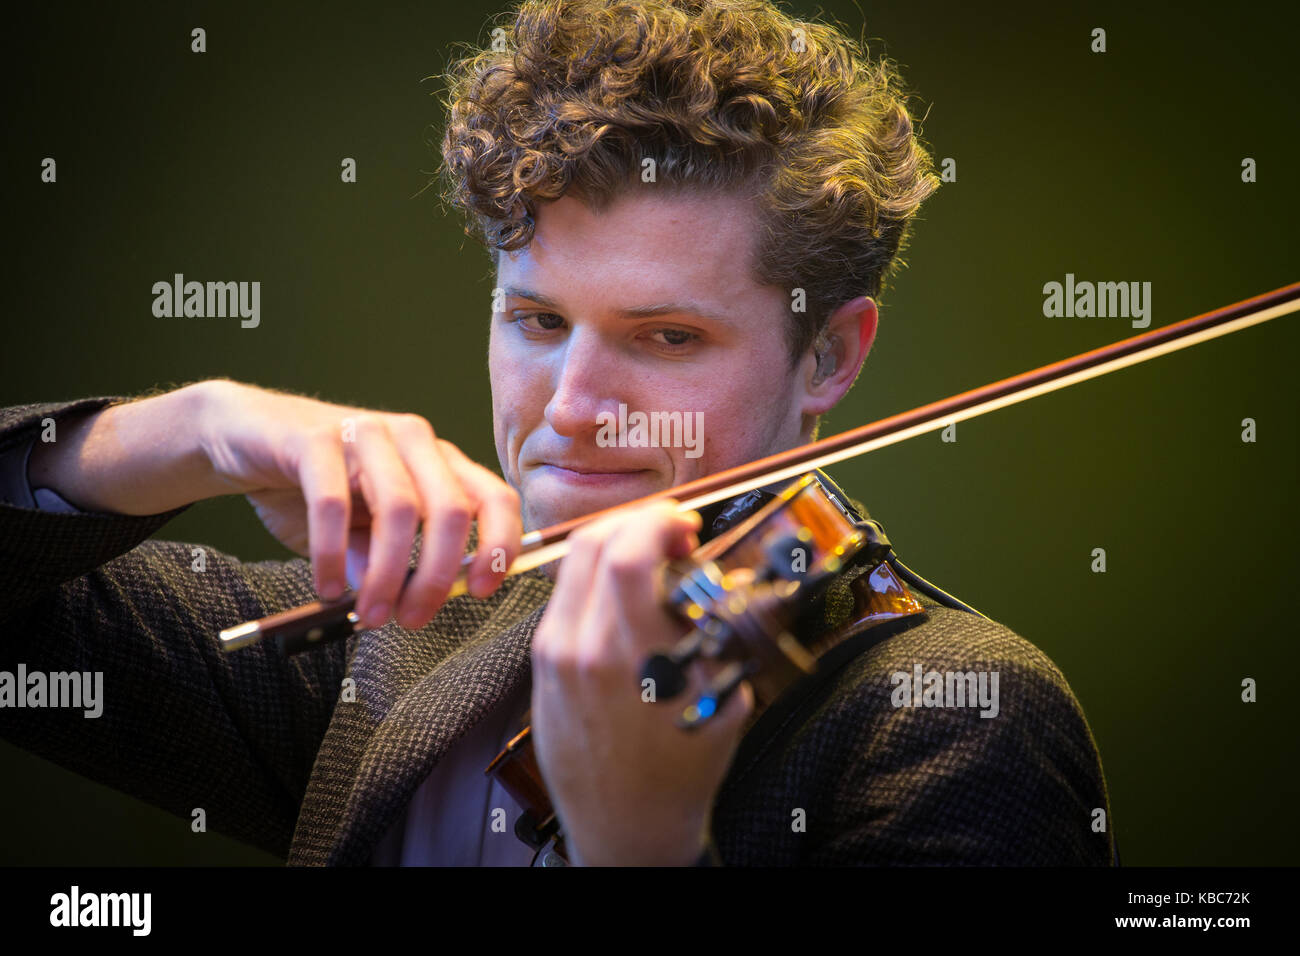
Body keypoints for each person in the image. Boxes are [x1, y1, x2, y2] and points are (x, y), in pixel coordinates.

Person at [0, 0, 1115, 866]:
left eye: (667, 336)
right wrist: (194, 430)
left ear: (828, 352)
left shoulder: (956, 719)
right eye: (536, 320)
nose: (572, 405)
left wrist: (638, 839)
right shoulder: (410, 637)